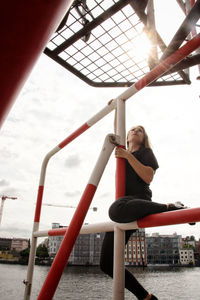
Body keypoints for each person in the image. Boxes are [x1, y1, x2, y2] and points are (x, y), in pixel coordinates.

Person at [100, 123, 185, 300]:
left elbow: (147, 176)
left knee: (115, 209)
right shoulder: (122, 153)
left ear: (144, 138)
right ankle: (146, 297)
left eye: (140, 130)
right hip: (125, 206)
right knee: (106, 264)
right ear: (127, 137)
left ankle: (167, 207)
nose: (136, 131)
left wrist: (127, 156)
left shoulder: (145, 153)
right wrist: (115, 106)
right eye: (132, 129)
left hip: (140, 200)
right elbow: (119, 127)